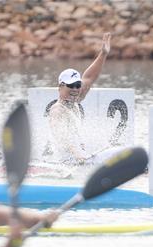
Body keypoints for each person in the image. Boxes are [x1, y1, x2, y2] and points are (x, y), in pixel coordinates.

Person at [47, 33, 112, 164]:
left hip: (80, 158)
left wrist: (103, 54)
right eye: (71, 85)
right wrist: (78, 155)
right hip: (65, 163)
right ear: (61, 86)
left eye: (77, 85)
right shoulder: (57, 110)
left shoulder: (75, 99)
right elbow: (62, 136)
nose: (75, 89)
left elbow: (89, 77)